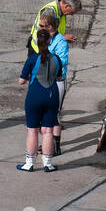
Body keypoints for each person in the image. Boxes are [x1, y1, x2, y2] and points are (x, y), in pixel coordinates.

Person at [16, 27, 63, 172]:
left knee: (32, 131)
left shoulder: (32, 59)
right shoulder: (57, 59)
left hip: (34, 97)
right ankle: (48, 164)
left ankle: (29, 163)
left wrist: (31, 76)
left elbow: (21, 81)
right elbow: (60, 77)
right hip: (51, 96)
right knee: (48, 131)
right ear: (49, 41)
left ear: (37, 41)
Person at [37, 12, 69, 155]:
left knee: (54, 113)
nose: (39, 27)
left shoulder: (60, 41)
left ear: (49, 26)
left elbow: (62, 61)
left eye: (42, 25)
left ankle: (56, 145)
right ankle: (46, 142)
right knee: (43, 113)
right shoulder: (44, 39)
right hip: (43, 80)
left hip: (56, 81)